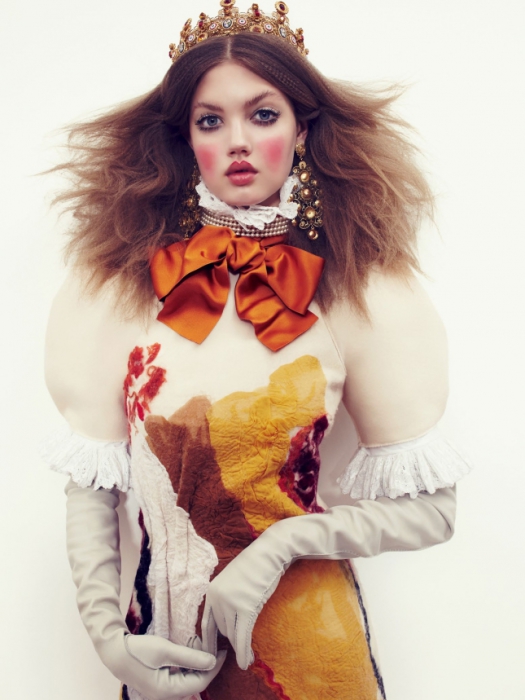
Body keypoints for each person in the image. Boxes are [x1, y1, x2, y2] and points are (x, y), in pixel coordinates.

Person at [42, 2, 471, 699]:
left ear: (301, 130)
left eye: (262, 115)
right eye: (210, 121)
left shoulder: (358, 288)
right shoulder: (120, 287)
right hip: (164, 650)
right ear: (185, 140)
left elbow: (433, 511)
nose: (237, 140)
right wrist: (108, 639)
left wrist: (279, 546)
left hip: (309, 649)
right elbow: (92, 488)